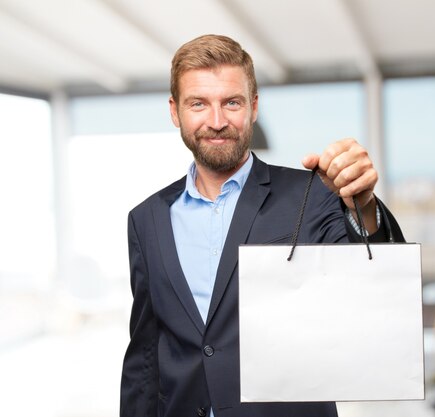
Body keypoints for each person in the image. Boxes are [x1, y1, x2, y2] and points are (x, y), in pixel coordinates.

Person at [120, 34, 405, 417]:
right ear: (175, 111)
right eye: (199, 104)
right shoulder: (146, 218)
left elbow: (378, 287)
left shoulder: (311, 193)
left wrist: (364, 204)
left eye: (232, 102)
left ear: (253, 107)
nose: (217, 121)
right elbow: (145, 357)